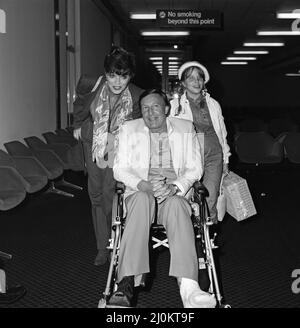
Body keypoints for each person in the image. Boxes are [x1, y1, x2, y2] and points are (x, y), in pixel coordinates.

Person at [108, 89, 216, 308]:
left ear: (166, 108)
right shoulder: (129, 129)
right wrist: (144, 185)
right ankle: (126, 284)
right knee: (141, 200)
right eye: (145, 108)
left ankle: (189, 287)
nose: (150, 112)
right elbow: (119, 169)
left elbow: (195, 168)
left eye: (156, 106)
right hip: (140, 194)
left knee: (177, 205)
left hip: (172, 196)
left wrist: (175, 188)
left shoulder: (186, 128)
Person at [73, 46, 143, 266]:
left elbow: (142, 124)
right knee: (95, 194)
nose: (117, 81)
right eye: (112, 75)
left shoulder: (137, 95)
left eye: (123, 76)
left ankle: (114, 239)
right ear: (106, 73)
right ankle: (102, 246)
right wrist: (77, 124)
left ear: (130, 76)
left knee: (109, 193)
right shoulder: (90, 83)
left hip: (118, 146)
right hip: (93, 141)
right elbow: (79, 103)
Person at [170, 61, 231, 223]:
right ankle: (186, 231)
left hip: (213, 153)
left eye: (199, 78)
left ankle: (208, 237)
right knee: (186, 195)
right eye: (191, 78)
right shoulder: (174, 106)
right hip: (188, 156)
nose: (196, 82)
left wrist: (226, 158)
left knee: (210, 197)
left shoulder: (213, 104)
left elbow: (222, 133)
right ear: (183, 83)